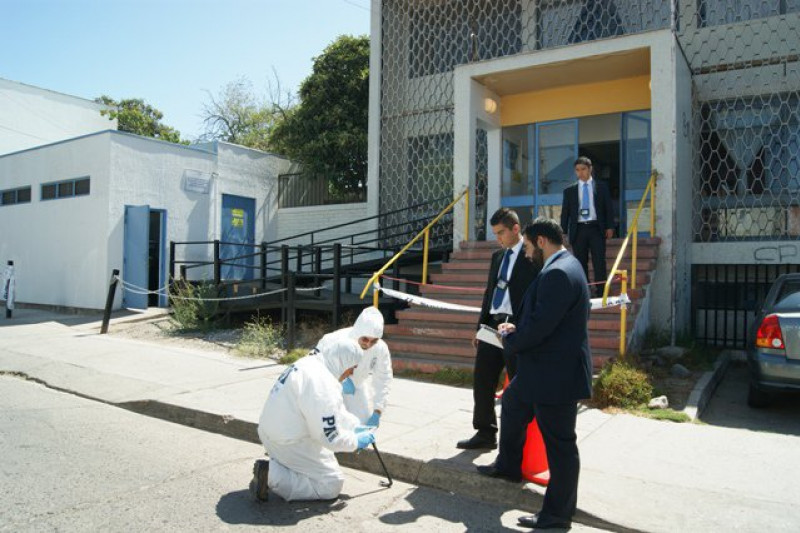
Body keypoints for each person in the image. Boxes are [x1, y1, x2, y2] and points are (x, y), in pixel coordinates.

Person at [477, 217, 592, 530]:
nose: (526, 253)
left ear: (541, 241)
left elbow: (542, 327)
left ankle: (557, 514)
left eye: (527, 246)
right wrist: (518, 327)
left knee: (561, 445)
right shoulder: (569, 265)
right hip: (542, 371)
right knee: (513, 402)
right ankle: (508, 465)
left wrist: (509, 338)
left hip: (555, 377)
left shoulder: (557, 272)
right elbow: (547, 319)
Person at [250, 334, 376, 502]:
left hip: (271, 434)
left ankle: (281, 464)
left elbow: (331, 411)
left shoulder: (310, 363)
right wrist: (355, 441)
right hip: (289, 442)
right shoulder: (323, 384)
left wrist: (354, 426)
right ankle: (272, 475)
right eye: (352, 367)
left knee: (323, 460)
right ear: (342, 362)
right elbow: (330, 438)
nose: (351, 372)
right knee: (331, 483)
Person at [457, 207, 540, 450]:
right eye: (495, 233)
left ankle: (517, 439)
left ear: (516, 229)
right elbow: (489, 292)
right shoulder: (497, 257)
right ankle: (485, 433)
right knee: (482, 380)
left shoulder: (532, 255)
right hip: (493, 326)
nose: (498, 238)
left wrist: (524, 328)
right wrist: (480, 327)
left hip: (516, 327)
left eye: (501, 232)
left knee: (515, 385)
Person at [317, 306, 391, 426]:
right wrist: (339, 380)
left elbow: (383, 378)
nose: (368, 344)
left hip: (356, 386)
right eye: (365, 339)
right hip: (329, 386)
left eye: (373, 341)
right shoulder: (334, 339)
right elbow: (315, 365)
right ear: (358, 333)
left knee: (361, 425)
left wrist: (378, 410)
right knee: (328, 425)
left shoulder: (380, 349)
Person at [560, 156, 615, 296]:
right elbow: (565, 212)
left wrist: (610, 226)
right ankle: (584, 292)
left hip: (596, 228)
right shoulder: (569, 191)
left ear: (590, 169)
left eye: (583, 169)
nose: (581, 173)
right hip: (578, 230)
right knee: (580, 262)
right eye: (577, 170)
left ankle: (602, 291)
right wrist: (562, 231)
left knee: (599, 262)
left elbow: (608, 208)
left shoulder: (601, 187)